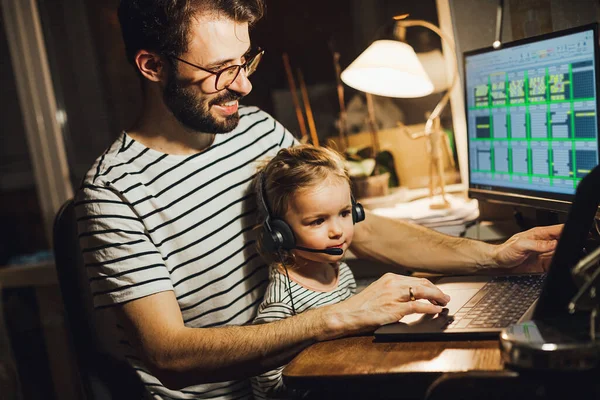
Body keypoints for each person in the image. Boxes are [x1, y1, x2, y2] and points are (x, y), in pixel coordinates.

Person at [74, 1, 561, 399]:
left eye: (244, 62)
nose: (243, 85)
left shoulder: (258, 130)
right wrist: (336, 316)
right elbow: (169, 355)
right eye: (220, 70)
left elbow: (360, 230)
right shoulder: (112, 193)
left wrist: (495, 256)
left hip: (308, 380)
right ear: (152, 65)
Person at [251, 145, 366, 399]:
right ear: (280, 233)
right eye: (318, 221)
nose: (337, 230)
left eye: (345, 213)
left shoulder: (341, 271)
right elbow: (267, 386)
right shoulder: (281, 302)